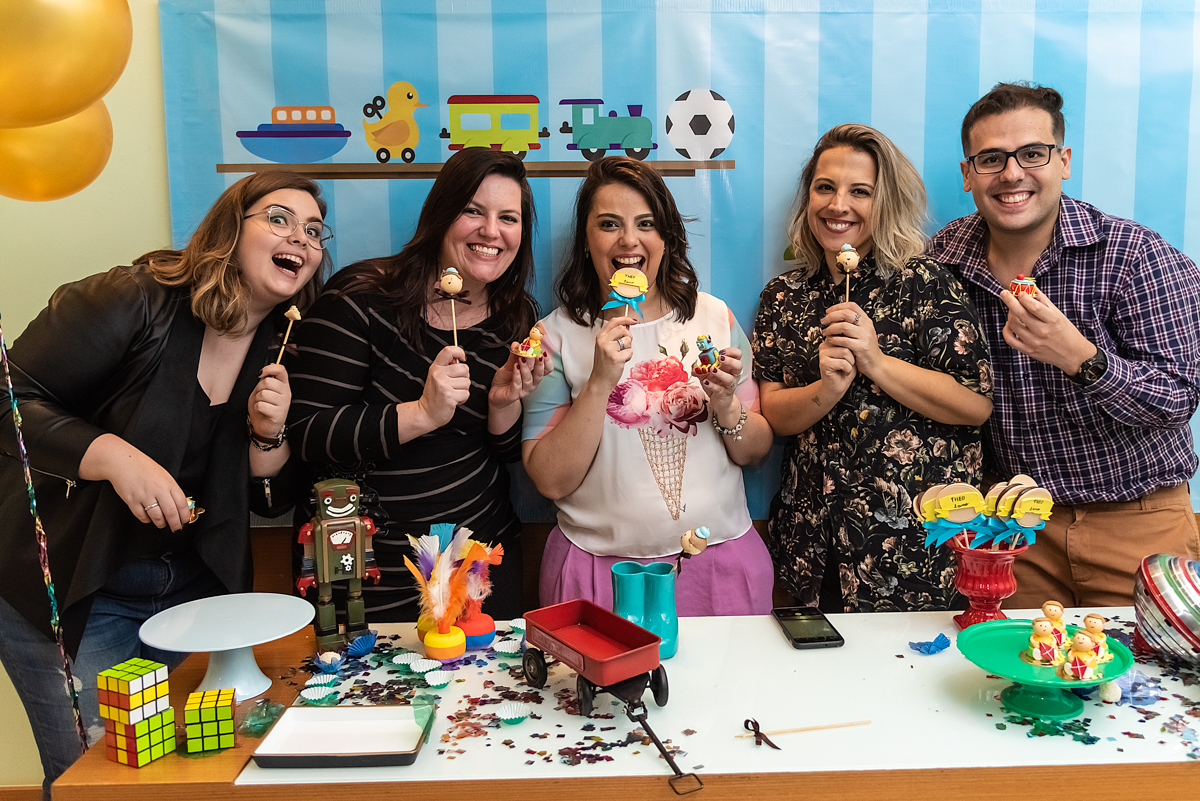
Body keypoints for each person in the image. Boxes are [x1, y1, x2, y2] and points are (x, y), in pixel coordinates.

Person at [0, 171, 329, 793]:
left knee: (189, 775)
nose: (301, 240)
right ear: (231, 229)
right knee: (99, 780)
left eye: (314, 231)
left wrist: (267, 435)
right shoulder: (133, 297)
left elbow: (269, 498)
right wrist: (113, 457)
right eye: (279, 219)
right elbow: (9, 400)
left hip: (193, 596)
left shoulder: (284, 345)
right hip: (77, 588)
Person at [928, 82, 1200, 608]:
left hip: (1137, 520)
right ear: (967, 175)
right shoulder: (944, 260)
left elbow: (1179, 398)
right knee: (1017, 678)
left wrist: (1079, 357)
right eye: (991, 159)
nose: (1012, 174)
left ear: (1063, 161)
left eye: (1032, 153)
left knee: (1149, 683)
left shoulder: (1135, 256)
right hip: (1016, 529)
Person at [287, 149, 548, 623]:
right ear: (441, 214)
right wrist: (421, 413)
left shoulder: (517, 315)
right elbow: (306, 432)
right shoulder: (362, 297)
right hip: (374, 570)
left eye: (508, 218)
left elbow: (506, 450)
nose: (492, 231)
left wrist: (502, 404)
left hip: (478, 562)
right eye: (473, 211)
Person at [753, 123, 993, 613]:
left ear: (885, 202)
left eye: (859, 191)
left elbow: (974, 405)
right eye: (825, 188)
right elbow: (773, 414)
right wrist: (826, 389)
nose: (838, 205)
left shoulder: (926, 282)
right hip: (810, 546)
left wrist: (876, 362)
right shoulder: (784, 296)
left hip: (915, 550)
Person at [522, 156, 775, 615]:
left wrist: (725, 406)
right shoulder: (553, 336)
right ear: (586, 239)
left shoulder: (714, 319)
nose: (629, 240)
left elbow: (755, 452)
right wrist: (600, 381)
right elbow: (550, 479)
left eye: (645, 223)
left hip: (717, 565)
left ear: (666, 237)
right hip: (598, 573)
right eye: (608, 224)